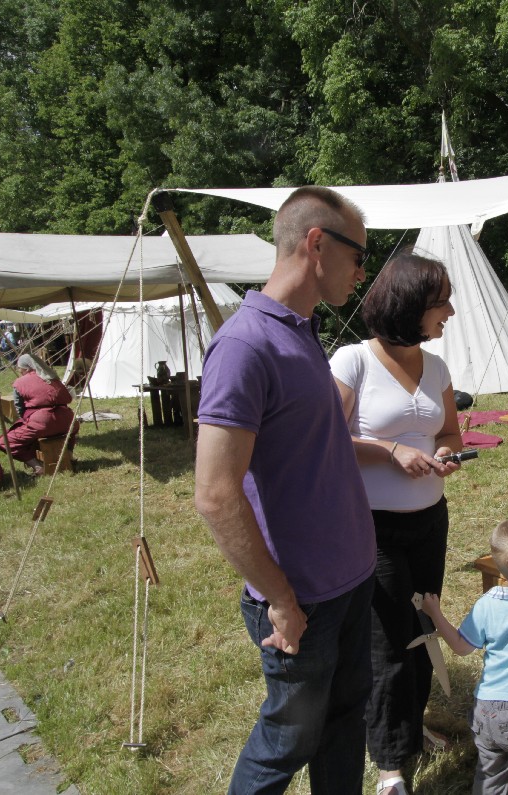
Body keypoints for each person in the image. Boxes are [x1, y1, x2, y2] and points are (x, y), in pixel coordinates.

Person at [194, 186, 377, 795]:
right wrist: (279, 599)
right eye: (358, 256)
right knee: (287, 741)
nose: (362, 272)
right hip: (302, 599)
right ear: (317, 243)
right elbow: (215, 494)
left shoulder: (301, 330)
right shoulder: (244, 345)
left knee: (344, 723)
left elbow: (315, 447)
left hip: (350, 579)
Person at [328, 250, 464, 795]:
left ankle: (411, 726)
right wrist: (390, 451)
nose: (449, 312)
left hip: (429, 520)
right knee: (387, 643)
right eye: (441, 302)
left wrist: (446, 453)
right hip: (373, 527)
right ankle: (389, 765)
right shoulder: (352, 361)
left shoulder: (437, 367)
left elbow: (450, 431)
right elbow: (326, 438)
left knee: (424, 626)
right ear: (410, 304)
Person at [419, 516, 508, 795]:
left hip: (488, 711)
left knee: (490, 776)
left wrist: (436, 614)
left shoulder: (487, 604)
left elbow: (461, 647)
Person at [0, 353, 76, 475]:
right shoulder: (52, 377)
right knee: (71, 432)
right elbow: (68, 398)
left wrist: (28, 420)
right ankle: (69, 457)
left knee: (4, 442)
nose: (20, 371)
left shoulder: (20, 382)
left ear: (26, 368)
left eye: (20, 369)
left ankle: (38, 467)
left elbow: (19, 408)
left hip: (42, 423)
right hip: (68, 420)